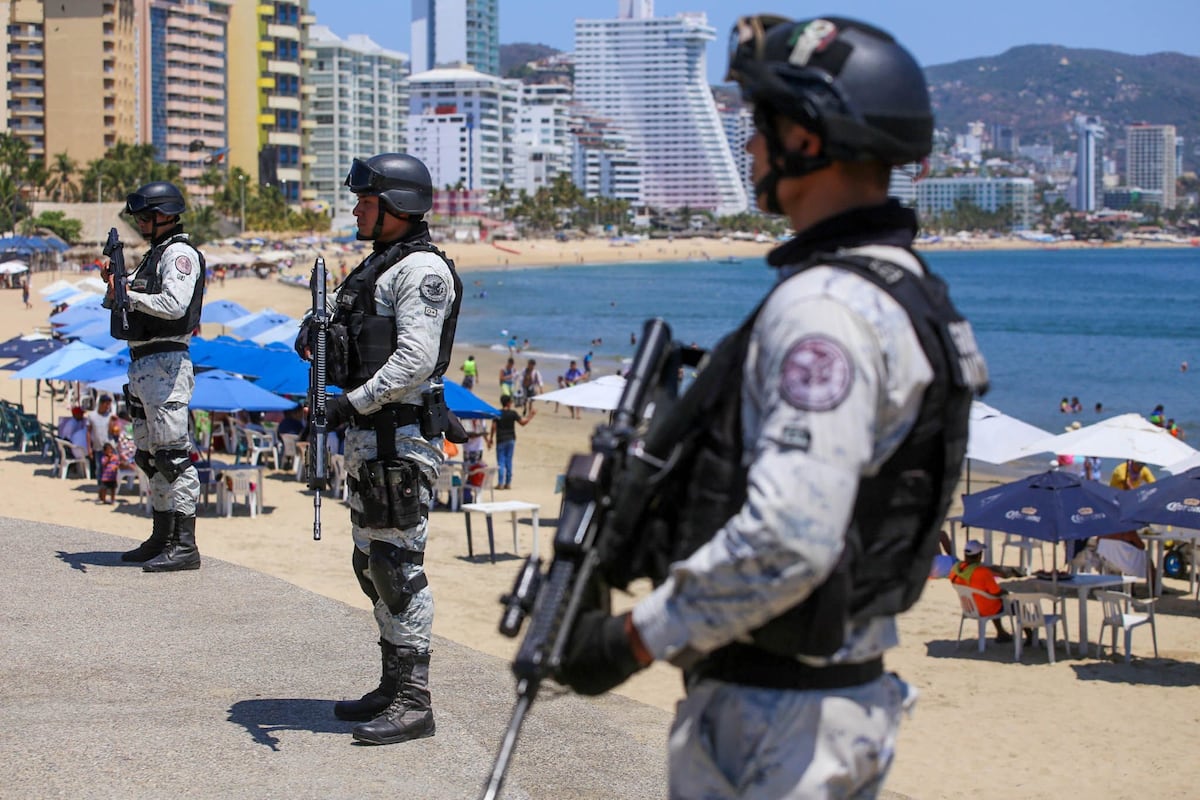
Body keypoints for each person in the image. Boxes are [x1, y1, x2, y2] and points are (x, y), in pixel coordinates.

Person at [550, 16, 987, 799]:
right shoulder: (906, 291)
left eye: (760, 124)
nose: (749, 146)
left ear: (809, 142)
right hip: (825, 702)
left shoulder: (825, 307)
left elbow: (790, 538)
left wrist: (629, 641)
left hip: (777, 720)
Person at [295, 152, 461, 746]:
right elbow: (337, 335)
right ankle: (392, 683)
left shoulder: (420, 272)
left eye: (367, 201)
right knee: (371, 565)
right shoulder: (375, 268)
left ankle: (416, 701)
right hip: (371, 437)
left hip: (401, 436)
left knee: (398, 567)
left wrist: (350, 403)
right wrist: (315, 339)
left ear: (399, 207)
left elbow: (415, 360)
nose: (358, 209)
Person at [102, 181, 205, 572]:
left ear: (165, 215)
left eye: (146, 216)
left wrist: (128, 292)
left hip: (166, 361)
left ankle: (184, 543)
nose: (142, 223)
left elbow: (174, 304)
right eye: (140, 217)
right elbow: (132, 307)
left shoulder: (179, 254)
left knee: (173, 458)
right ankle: (161, 536)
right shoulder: (155, 254)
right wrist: (114, 288)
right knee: (150, 457)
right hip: (145, 362)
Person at [950, 541, 1012, 642]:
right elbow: (996, 592)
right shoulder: (982, 572)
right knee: (1015, 603)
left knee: (990, 600)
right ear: (979, 555)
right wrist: (1004, 592)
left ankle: (1001, 633)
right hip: (985, 608)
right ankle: (1030, 637)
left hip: (968, 607)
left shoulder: (955, 569)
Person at [487, 394, 535, 490]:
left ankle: (500, 483)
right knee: (508, 461)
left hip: (501, 439)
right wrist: (531, 416)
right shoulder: (513, 413)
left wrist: (491, 438)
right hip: (510, 439)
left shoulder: (498, 413)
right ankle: (508, 483)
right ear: (508, 403)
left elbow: (493, 427)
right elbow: (522, 423)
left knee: (501, 462)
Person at [87, 395, 115, 486]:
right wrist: (89, 448)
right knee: (99, 467)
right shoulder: (92, 416)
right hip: (98, 446)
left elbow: (112, 431)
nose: (108, 407)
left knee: (110, 468)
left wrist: (113, 422)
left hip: (109, 446)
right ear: (101, 404)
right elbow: (88, 432)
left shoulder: (110, 416)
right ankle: (101, 487)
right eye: (107, 404)